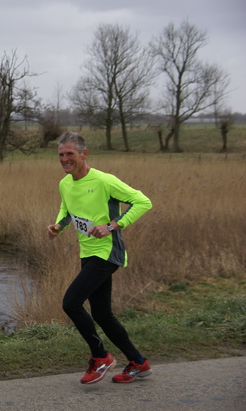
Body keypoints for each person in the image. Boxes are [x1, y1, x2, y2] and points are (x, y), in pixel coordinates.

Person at [46, 131, 153, 384]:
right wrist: (58, 226)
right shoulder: (65, 183)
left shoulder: (104, 181)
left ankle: (100, 356)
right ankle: (139, 362)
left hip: (106, 253)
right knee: (102, 315)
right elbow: (68, 209)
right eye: (61, 155)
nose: (64, 159)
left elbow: (143, 202)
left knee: (71, 303)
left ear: (84, 154)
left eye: (70, 154)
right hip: (88, 252)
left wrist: (112, 225)